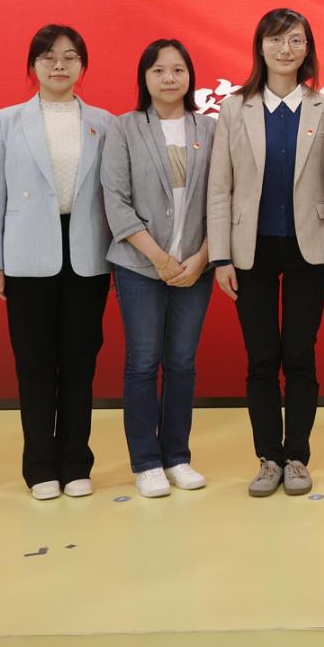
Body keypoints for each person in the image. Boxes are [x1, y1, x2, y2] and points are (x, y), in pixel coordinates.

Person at [207, 8, 324, 499]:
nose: (286, 49)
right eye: (276, 40)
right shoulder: (234, 108)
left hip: (310, 247)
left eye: (296, 40)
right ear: (260, 47)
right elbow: (219, 187)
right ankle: (268, 457)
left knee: (301, 355)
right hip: (251, 250)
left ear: (308, 49)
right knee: (262, 357)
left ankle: (297, 456)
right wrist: (220, 256)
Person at [0, 25, 113, 500]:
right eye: (48, 56)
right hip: (26, 255)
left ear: (82, 66)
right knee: (33, 364)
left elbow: (113, 195)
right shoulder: (6, 121)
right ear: (32, 65)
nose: (59, 65)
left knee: (79, 363)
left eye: (70, 57)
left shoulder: (104, 123)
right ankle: (39, 467)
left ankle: (76, 463)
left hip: (87, 254)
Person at [103, 39, 216, 499]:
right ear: (144, 78)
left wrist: (202, 257)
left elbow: (223, 199)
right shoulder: (124, 127)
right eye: (158, 70)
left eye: (178, 70)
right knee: (143, 363)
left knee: (183, 363)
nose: (169, 78)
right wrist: (159, 258)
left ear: (190, 76)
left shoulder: (210, 128)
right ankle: (146, 462)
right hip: (140, 265)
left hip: (197, 265)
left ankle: (177, 456)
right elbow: (116, 201)